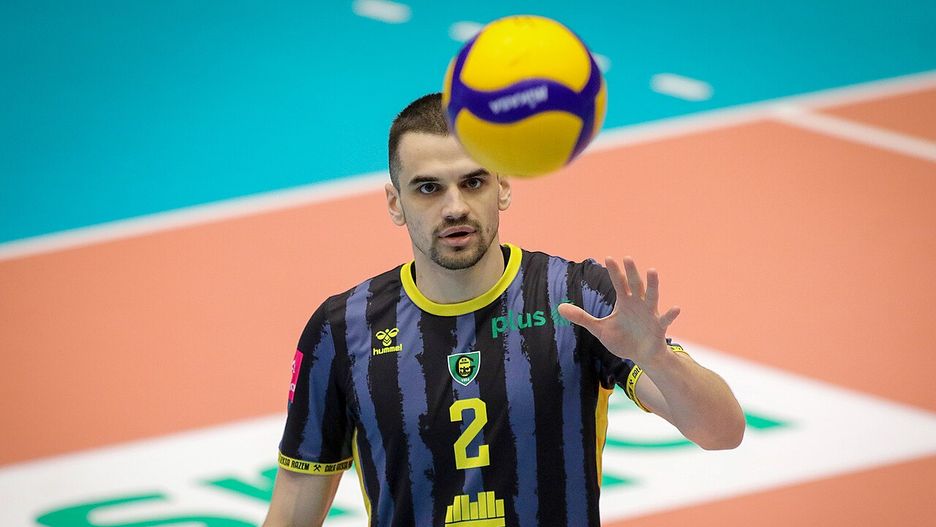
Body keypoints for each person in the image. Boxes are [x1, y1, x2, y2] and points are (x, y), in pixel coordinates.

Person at [262, 93, 745, 527]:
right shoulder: (342, 330)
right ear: (395, 202)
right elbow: (292, 510)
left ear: (504, 186)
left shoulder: (576, 298)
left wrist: (658, 358)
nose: (455, 207)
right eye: (428, 188)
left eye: (473, 182)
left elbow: (722, 433)